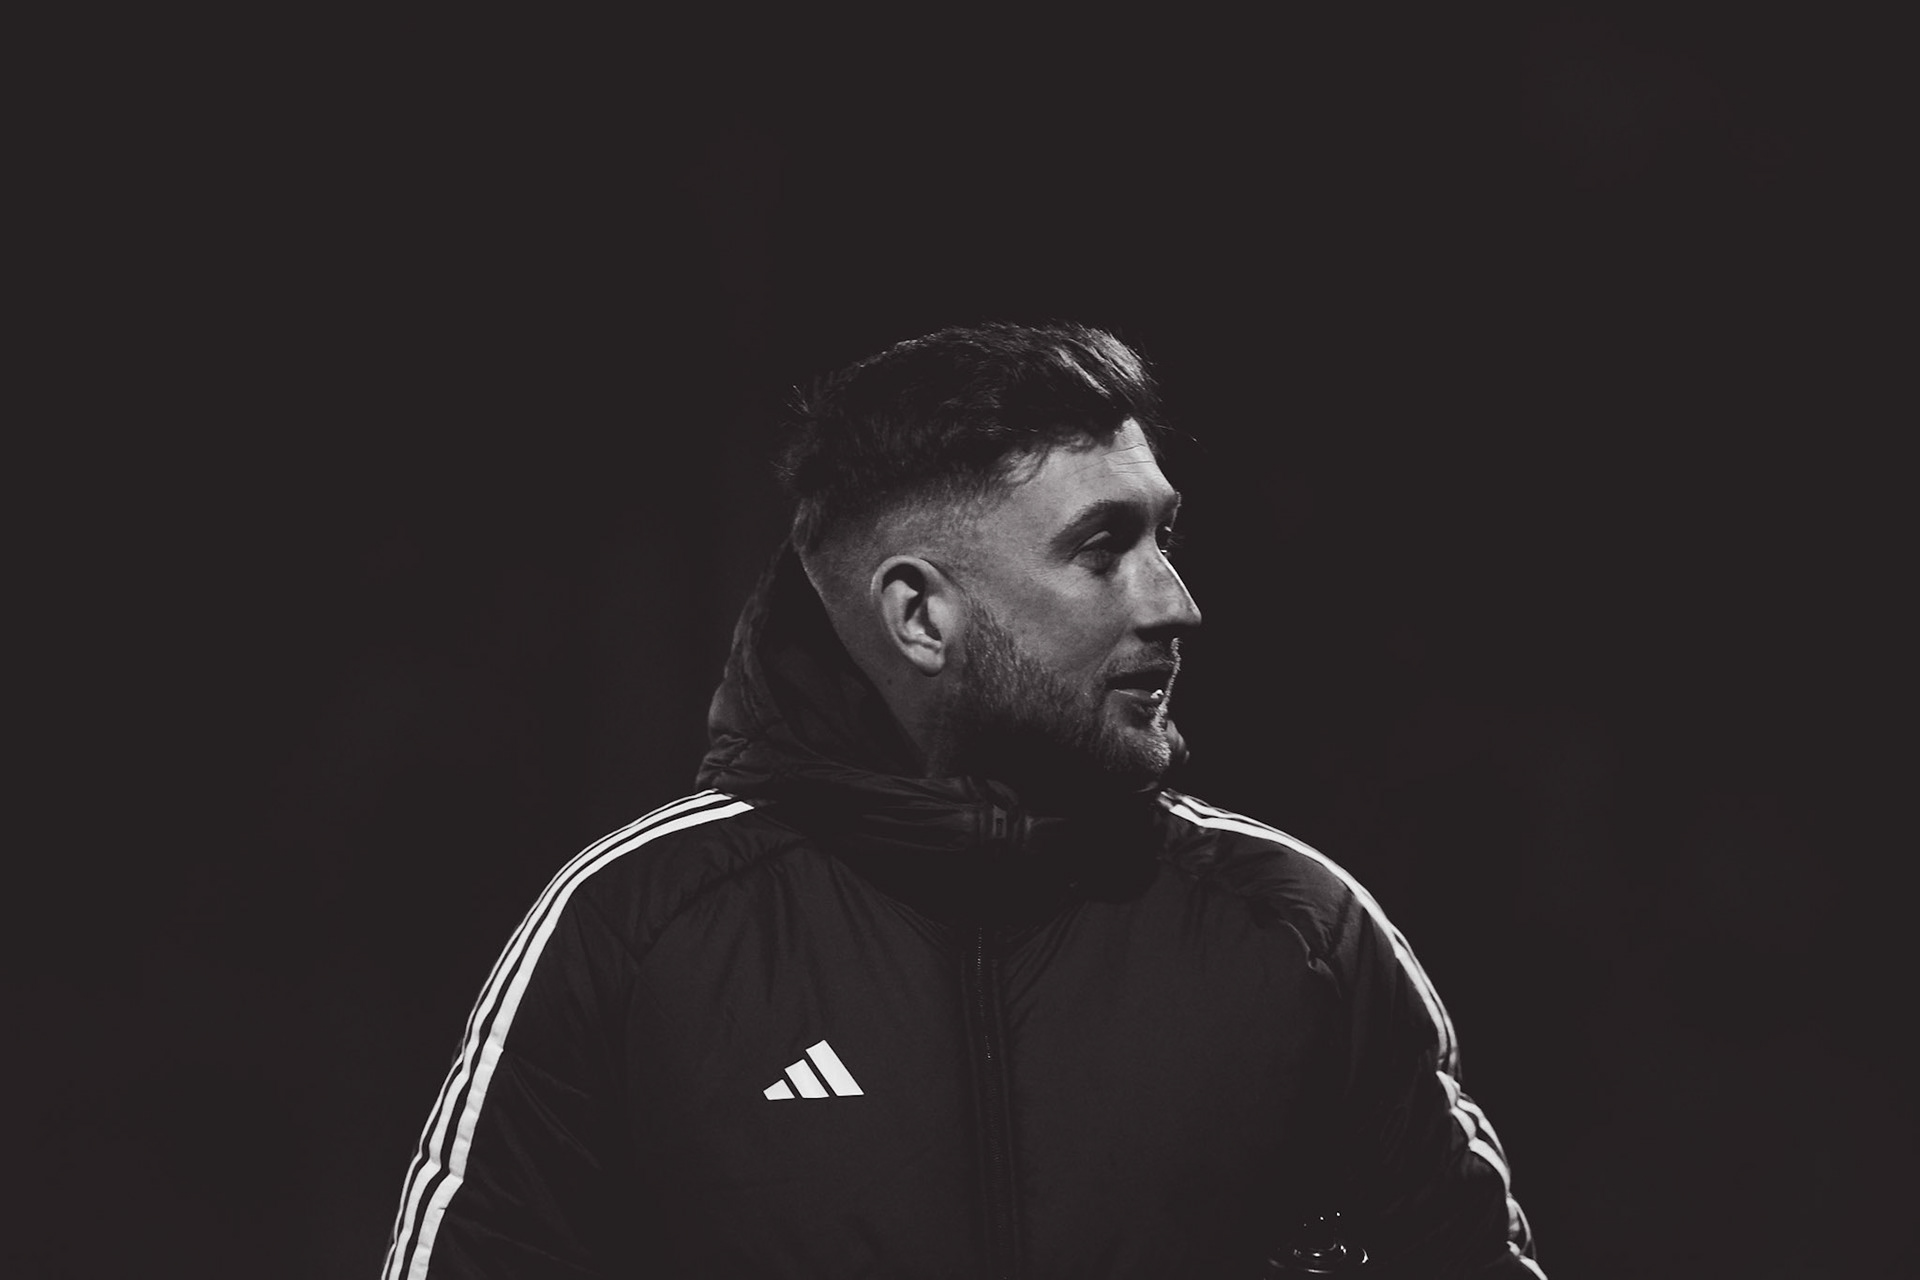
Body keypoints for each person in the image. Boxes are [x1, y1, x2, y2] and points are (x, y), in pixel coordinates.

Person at [382, 323, 1546, 1278]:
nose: (1175, 602)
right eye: (1103, 549)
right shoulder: (634, 932)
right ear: (920, 615)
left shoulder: (1300, 931)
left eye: (1166, 537)